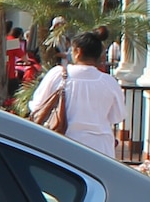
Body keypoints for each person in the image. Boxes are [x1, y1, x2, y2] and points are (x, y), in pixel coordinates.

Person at [31, 30, 127, 158]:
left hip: (63, 143)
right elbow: (117, 116)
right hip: (101, 148)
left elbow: (37, 106)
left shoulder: (58, 75)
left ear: (78, 51)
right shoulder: (109, 82)